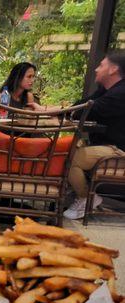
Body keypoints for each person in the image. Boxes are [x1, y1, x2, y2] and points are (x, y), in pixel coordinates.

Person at [64, 52, 125, 219]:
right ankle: (75, 195)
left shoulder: (120, 94)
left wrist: (61, 112)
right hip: (107, 145)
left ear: (113, 69)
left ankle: (86, 198)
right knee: (65, 147)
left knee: (69, 157)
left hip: (118, 150)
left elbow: (83, 111)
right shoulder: (106, 90)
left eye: (101, 65)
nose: (97, 69)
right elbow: (80, 106)